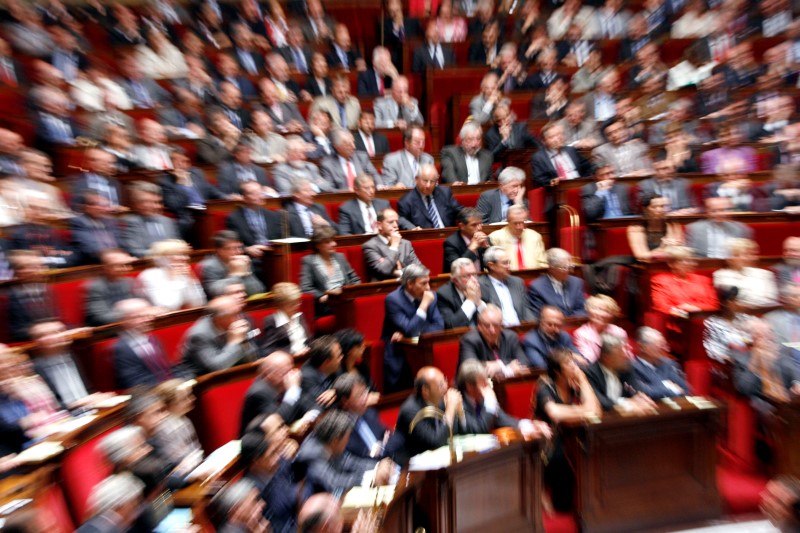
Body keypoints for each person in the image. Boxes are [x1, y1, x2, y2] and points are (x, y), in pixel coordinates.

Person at [534, 347, 601, 511]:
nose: (575, 366)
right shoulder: (544, 385)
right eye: (568, 363)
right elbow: (555, 414)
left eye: (573, 362)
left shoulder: (574, 383)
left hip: (570, 434)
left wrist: (584, 380)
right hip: (547, 440)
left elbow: (596, 411)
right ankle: (543, 491)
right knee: (561, 457)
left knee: (591, 450)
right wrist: (582, 410)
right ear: (557, 371)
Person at [294, 410, 396, 495]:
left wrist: (379, 466)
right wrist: (372, 477)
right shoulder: (310, 455)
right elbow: (333, 483)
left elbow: (350, 462)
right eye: (346, 439)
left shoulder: (331, 443)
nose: (347, 442)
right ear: (335, 441)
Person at [381, 265, 444, 391]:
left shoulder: (432, 295)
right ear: (409, 284)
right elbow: (411, 330)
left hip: (424, 348)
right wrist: (424, 305)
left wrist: (411, 333)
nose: (428, 288)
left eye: (429, 283)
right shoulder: (393, 300)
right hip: (399, 352)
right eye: (423, 283)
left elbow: (439, 326)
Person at [458, 359, 551, 438]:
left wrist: (531, 426)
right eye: (483, 383)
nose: (488, 386)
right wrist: (490, 402)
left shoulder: (482, 399)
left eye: (487, 380)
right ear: (470, 386)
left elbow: (503, 419)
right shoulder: (458, 403)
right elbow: (479, 430)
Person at [392, 366, 463, 462]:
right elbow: (435, 442)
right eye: (441, 385)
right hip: (410, 467)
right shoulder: (410, 410)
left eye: (445, 380)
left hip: (435, 461)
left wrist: (459, 412)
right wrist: (450, 410)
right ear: (425, 391)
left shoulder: (440, 401)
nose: (446, 387)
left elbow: (455, 431)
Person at [180, 295, 258, 377]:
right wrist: (234, 342)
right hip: (201, 378)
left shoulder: (238, 322)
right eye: (234, 314)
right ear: (219, 318)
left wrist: (244, 342)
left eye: (239, 312)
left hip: (232, 372)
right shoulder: (199, 335)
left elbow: (253, 357)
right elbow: (217, 368)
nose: (240, 317)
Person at [240, 351, 314, 433]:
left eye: (291, 369)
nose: (291, 375)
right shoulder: (259, 393)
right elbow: (278, 421)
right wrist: (293, 390)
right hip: (260, 443)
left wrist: (309, 417)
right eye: (285, 372)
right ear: (268, 373)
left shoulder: (287, 384)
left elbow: (313, 404)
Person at [585, 334, 657, 413]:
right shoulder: (590, 373)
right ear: (607, 359)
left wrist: (641, 398)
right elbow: (601, 402)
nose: (626, 357)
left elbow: (637, 391)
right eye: (621, 355)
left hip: (628, 417)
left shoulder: (626, 368)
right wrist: (627, 404)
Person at [113, 299, 173, 389]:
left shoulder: (153, 339)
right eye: (140, 317)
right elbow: (134, 381)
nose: (148, 320)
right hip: (151, 395)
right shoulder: (122, 349)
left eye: (148, 315)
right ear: (125, 320)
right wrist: (168, 386)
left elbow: (167, 368)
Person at [300, 227, 360, 317]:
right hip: (327, 305)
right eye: (328, 242)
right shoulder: (309, 261)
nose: (334, 244)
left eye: (333, 240)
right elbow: (306, 288)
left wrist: (354, 292)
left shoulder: (340, 257)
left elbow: (355, 279)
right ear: (317, 245)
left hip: (346, 300)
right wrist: (321, 296)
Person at [458, 305, 528, 378]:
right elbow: (470, 370)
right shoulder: (469, 340)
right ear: (479, 326)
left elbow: (524, 362)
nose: (492, 330)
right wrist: (508, 369)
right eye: (487, 325)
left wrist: (499, 365)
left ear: (501, 325)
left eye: (496, 325)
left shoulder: (511, 337)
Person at [333, 372, 392, 459]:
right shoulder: (339, 430)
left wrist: (382, 447)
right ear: (345, 402)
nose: (365, 398)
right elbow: (350, 462)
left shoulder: (370, 412)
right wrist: (373, 454)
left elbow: (392, 436)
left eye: (365, 392)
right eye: (359, 396)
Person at [137, 239, 206, 312]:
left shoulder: (183, 274)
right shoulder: (150, 276)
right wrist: (174, 280)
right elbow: (168, 307)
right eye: (179, 254)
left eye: (186, 254)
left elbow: (199, 303)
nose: (185, 258)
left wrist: (191, 281)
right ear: (162, 257)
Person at [225, 181, 286, 261]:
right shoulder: (234, 218)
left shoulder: (273, 215)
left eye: (261, 192)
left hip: (274, 255)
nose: (260, 196)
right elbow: (233, 242)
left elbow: (282, 237)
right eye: (254, 193)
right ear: (245, 198)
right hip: (252, 258)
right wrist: (247, 249)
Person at [651, 246, 720, 315]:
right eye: (687, 260)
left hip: (704, 320)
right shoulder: (660, 280)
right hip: (676, 321)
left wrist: (695, 309)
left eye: (693, 260)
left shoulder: (704, 280)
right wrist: (685, 314)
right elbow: (661, 307)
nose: (693, 263)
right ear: (672, 264)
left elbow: (715, 305)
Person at [713, 238, 779, 308]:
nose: (746, 258)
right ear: (730, 259)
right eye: (738, 255)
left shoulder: (765, 274)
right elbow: (733, 300)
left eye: (750, 254)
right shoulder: (721, 276)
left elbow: (772, 299)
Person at [479, 246, 535, 326]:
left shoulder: (517, 282)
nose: (509, 266)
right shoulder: (480, 285)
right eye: (505, 263)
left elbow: (526, 309)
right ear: (491, 266)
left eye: (509, 262)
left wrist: (531, 326)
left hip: (520, 328)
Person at [338, 175, 412, 235]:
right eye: (367, 188)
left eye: (373, 187)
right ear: (357, 190)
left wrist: (412, 228)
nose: (371, 191)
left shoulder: (383, 203)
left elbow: (396, 219)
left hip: (385, 239)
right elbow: (344, 233)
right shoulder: (346, 209)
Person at [200, 230, 265, 298]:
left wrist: (247, 274)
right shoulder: (210, 266)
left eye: (240, 247)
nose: (238, 251)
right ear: (219, 250)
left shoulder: (243, 261)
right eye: (233, 248)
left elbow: (257, 291)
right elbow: (215, 292)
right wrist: (236, 274)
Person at [362, 208, 422, 281]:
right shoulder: (370, 246)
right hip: (384, 288)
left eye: (396, 222)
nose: (395, 225)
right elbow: (384, 270)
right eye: (390, 222)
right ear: (379, 225)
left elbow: (419, 269)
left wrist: (400, 272)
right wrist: (394, 246)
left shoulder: (406, 243)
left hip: (408, 285)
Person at [397, 164, 464, 229]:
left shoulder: (445, 193)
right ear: (417, 179)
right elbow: (401, 220)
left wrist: (470, 217)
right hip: (425, 237)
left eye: (432, 181)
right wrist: (413, 228)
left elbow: (460, 210)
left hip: (448, 235)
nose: (428, 185)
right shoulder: (406, 201)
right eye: (425, 181)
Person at [527, 248, 586, 319]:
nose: (571, 271)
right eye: (565, 268)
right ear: (552, 269)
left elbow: (582, 309)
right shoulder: (537, 288)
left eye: (570, 266)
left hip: (575, 323)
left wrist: (570, 321)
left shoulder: (576, 282)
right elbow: (539, 315)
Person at [84, 249, 138, 327]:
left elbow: (141, 303)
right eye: (120, 265)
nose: (126, 269)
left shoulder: (129, 281)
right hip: (107, 331)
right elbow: (101, 318)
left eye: (127, 264)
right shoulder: (95, 287)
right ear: (105, 267)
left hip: (130, 324)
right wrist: (134, 313)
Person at [686, 197, 753, 259]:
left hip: (732, 265)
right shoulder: (694, 228)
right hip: (705, 264)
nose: (719, 214)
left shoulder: (741, 228)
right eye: (714, 211)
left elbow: (747, 253)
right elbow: (690, 254)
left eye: (723, 210)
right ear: (707, 212)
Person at [631, 327, 689, 399]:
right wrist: (669, 387)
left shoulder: (670, 364)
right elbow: (644, 392)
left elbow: (686, 390)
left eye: (664, 344)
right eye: (659, 345)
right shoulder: (631, 368)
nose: (666, 349)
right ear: (642, 347)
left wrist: (655, 387)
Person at [77, 473, 146, 533]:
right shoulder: (107, 529)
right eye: (134, 507)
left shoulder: (93, 525)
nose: (135, 515)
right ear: (120, 505)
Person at [572, 295, 631, 364]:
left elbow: (628, 357)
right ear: (589, 311)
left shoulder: (619, 332)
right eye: (596, 309)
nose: (601, 314)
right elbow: (590, 360)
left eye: (606, 311)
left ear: (612, 314)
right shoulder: (581, 334)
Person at [627, 193, 685, 261]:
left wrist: (675, 247)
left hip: (668, 263)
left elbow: (678, 252)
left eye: (662, 206)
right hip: (647, 265)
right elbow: (641, 255)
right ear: (645, 209)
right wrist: (663, 247)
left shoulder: (672, 225)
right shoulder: (636, 228)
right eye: (654, 207)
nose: (660, 210)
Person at [488, 205, 547, 271]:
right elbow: (491, 267)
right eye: (515, 223)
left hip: (533, 276)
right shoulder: (495, 238)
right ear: (508, 222)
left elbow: (543, 264)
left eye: (522, 223)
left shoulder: (535, 236)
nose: (520, 227)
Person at [261, 282, 311, 356]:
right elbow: (268, 350)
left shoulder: (299, 315)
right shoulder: (272, 321)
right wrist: (292, 355)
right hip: (291, 360)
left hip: (307, 355)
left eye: (298, 302)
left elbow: (309, 340)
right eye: (292, 304)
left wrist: (309, 348)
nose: (297, 306)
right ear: (282, 305)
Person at [437, 258, 487, 329]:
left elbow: (492, 319)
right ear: (455, 280)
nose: (474, 280)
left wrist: (478, 302)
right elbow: (451, 325)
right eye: (466, 276)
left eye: (474, 274)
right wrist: (470, 301)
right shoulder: (443, 294)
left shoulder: (481, 286)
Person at [442, 207, 489, 274]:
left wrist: (487, 248)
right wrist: (471, 248)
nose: (479, 228)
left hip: (481, 279)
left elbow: (492, 265)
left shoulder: (483, 238)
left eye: (480, 224)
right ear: (462, 226)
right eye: (474, 225)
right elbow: (456, 270)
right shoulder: (451, 243)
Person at [765, 283, 800, 347]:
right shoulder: (771, 319)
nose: (799, 299)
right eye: (795, 296)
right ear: (784, 299)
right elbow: (775, 345)